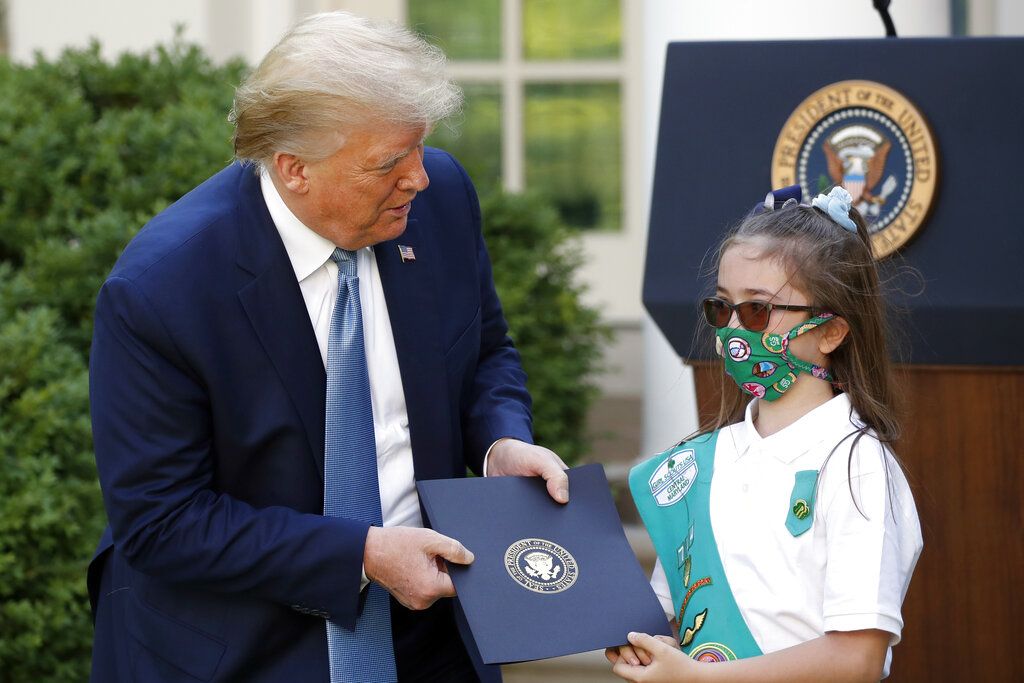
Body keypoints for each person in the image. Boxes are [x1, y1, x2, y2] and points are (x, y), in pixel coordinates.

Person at [87, 11, 568, 683]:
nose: (419, 178)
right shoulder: (162, 288)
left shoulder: (441, 201)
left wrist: (499, 441)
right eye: (388, 163)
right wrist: (363, 554)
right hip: (243, 645)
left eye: (420, 147)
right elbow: (162, 521)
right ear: (294, 170)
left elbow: (485, 349)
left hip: (434, 630)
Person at [607, 186, 922, 682]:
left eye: (757, 310)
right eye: (722, 307)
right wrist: (649, 647)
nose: (733, 329)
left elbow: (857, 659)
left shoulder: (857, 465)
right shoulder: (697, 464)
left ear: (831, 331)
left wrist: (699, 680)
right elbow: (677, 618)